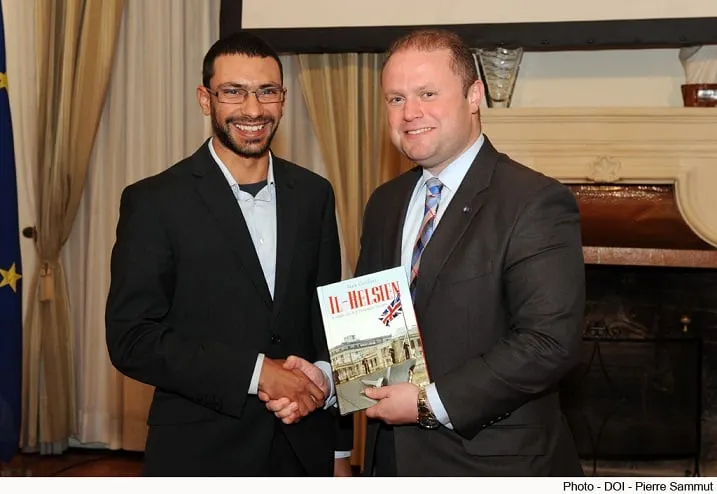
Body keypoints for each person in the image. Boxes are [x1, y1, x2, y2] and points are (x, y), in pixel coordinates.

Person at [105, 31, 352, 476]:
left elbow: (326, 325)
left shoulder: (315, 194)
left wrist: (337, 450)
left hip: (302, 450)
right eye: (233, 92)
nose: (253, 110)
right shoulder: (155, 202)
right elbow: (131, 339)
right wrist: (257, 373)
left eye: (267, 92)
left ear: (283, 98)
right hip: (200, 455)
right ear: (206, 99)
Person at [356, 29, 586, 476]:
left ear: (474, 94)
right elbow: (375, 331)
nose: (410, 113)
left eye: (427, 93)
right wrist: (327, 377)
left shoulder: (533, 201)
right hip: (394, 463)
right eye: (395, 99)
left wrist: (428, 403)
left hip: (493, 467)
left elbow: (549, 343)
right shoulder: (384, 202)